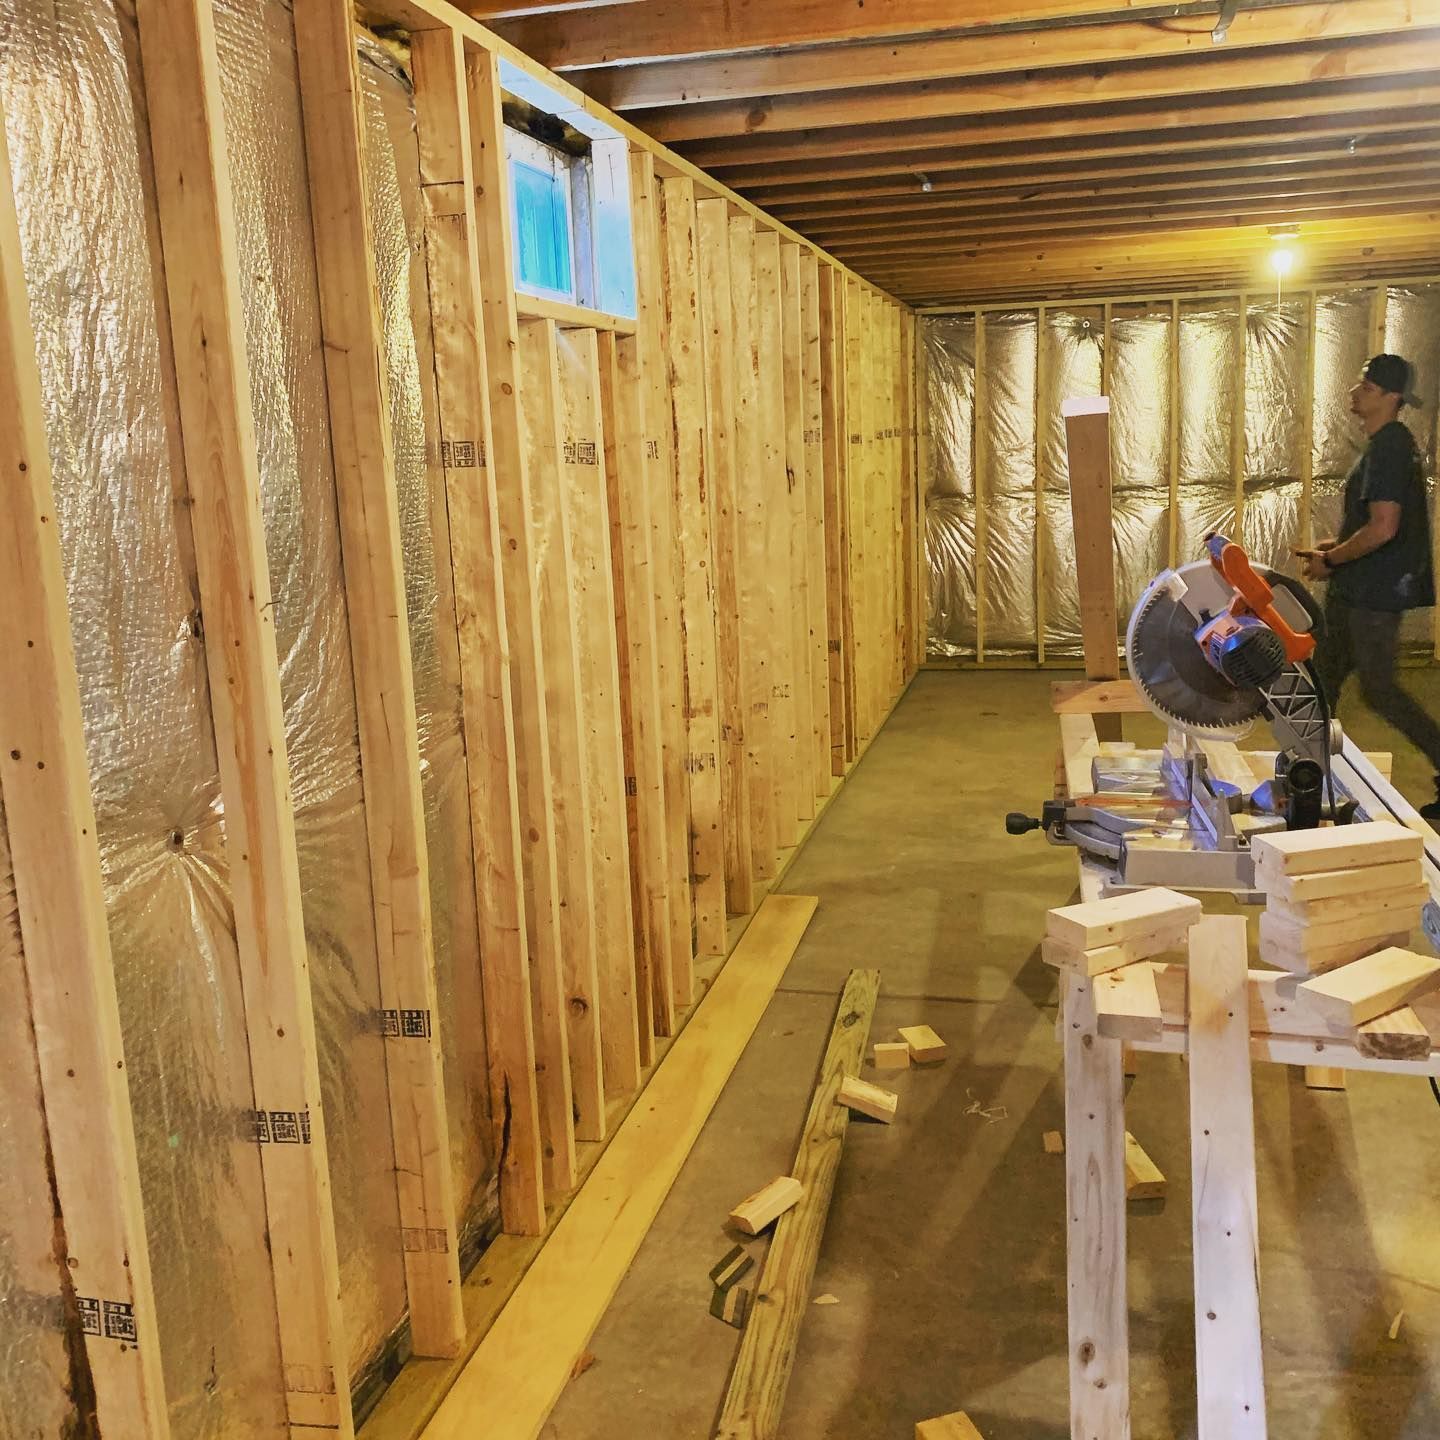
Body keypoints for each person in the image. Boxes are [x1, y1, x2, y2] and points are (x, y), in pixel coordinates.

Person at [1296, 352, 1440, 819]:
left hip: (1372, 597)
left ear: (1391, 398)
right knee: (1321, 683)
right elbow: (1374, 524)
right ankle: (1309, 778)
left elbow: (1384, 527)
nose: (1355, 393)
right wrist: (1334, 547)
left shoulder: (1391, 448)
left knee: (1379, 690)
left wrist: (1332, 559)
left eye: (1368, 389)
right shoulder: (1385, 445)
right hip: (1357, 591)